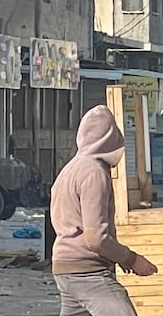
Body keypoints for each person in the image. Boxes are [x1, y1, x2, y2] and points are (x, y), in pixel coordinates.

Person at [51, 105, 158, 316]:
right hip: (87, 271)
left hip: (65, 269)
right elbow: (96, 238)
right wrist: (131, 259)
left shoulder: (69, 169)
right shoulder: (94, 172)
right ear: (111, 139)